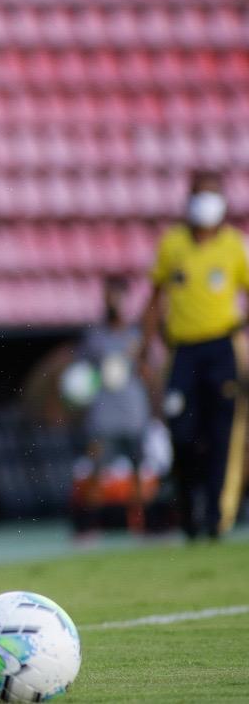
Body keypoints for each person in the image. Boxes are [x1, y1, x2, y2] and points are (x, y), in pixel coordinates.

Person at [141, 170, 248, 540]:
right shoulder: (172, 245)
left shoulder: (235, 245)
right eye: (199, 194)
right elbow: (154, 300)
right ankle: (187, 510)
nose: (206, 203)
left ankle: (215, 520)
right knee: (182, 433)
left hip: (221, 348)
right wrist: (144, 348)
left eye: (212, 194)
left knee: (221, 436)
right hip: (183, 351)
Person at [74, 275, 153, 532]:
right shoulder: (94, 336)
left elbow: (147, 370)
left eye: (117, 295)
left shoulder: (136, 335)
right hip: (103, 414)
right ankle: (90, 526)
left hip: (133, 412)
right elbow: (83, 375)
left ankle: (140, 523)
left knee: (139, 470)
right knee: (96, 469)